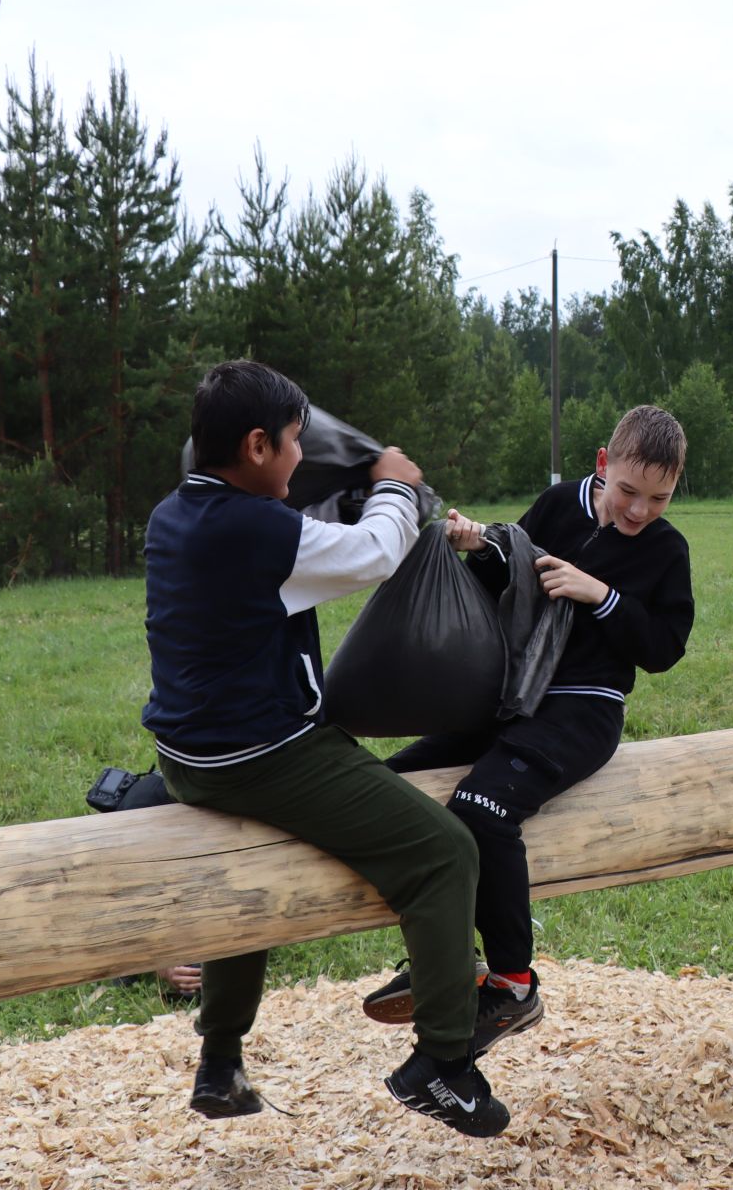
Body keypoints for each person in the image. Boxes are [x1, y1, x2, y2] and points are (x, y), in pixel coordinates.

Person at [142, 360, 506, 1137]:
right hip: (261, 756)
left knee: (254, 887)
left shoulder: (176, 514)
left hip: (187, 756)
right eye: (295, 443)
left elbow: (299, 530)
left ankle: (220, 1062)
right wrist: (398, 485)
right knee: (444, 853)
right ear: (256, 446)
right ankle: (443, 1062)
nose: (303, 456)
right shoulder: (255, 532)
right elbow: (373, 553)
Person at [368, 406, 695, 1060]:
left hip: (583, 710)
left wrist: (599, 594)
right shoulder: (556, 505)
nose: (638, 512)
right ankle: (447, 961)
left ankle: (514, 985)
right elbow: (506, 571)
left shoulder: (666, 550)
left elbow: (664, 647)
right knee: (386, 785)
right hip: (511, 699)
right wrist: (475, 543)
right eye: (628, 492)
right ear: (604, 464)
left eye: (658, 499)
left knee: (482, 808)